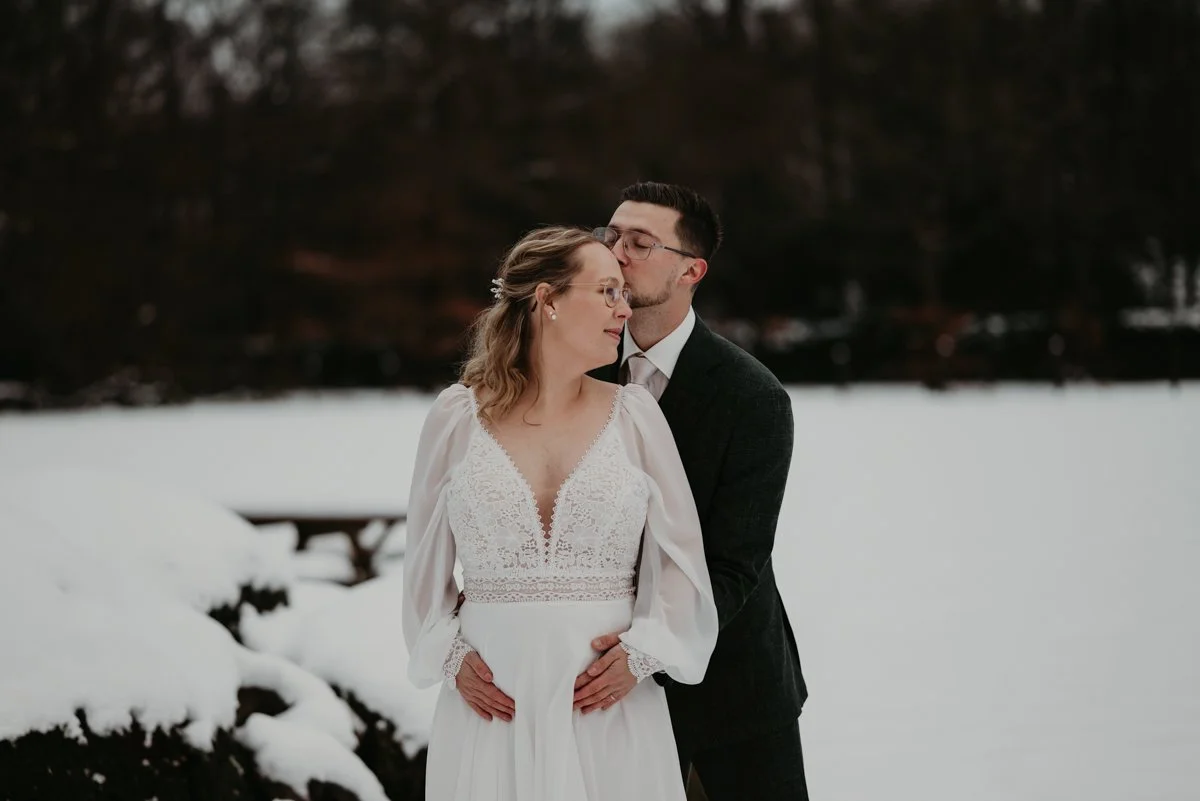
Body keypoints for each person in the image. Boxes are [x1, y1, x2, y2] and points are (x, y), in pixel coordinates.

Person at [403, 225, 718, 801]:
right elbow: (422, 571)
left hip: (609, 708)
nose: (624, 309)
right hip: (492, 711)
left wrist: (643, 653)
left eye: (623, 293)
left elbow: (682, 560)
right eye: (606, 292)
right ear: (547, 299)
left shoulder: (635, 416)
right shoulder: (456, 419)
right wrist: (449, 655)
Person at [579, 182, 810, 800]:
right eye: (611, 235)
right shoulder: (574, 370)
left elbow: (736, 562)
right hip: (594, 677)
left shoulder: (753, 397)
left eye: (640, 243)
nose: (615, 253)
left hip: (731, 686)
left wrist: (646, 650)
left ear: (691, 271)